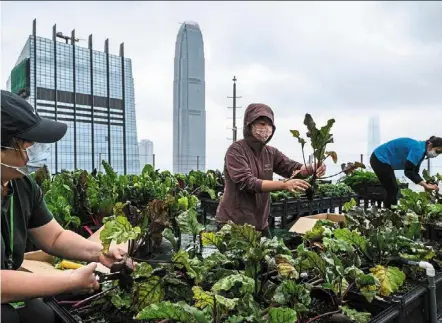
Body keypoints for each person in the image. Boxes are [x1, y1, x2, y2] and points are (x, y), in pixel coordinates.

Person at [1, 90, 126, 323]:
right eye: (25, 142)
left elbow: (55, 238)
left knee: (44, 317)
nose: (34, 147)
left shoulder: (22, 186)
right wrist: (69, 280)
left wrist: (100, 252)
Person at [215, 103, 326, 238]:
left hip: (260, 223)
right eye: (261, 124)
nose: (266, 129)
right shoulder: (236, 150)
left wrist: (310, 169)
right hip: (233, 223)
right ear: (249, 125)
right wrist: (284, 185)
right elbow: (247, 182)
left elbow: (290, 167)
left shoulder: (270, 152)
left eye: (269, 126)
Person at [370, 136, 442, 208]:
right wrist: (425, 185)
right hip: (379, 159)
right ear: (430, 145)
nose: (436, 155)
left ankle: (391, 214)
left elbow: (414, 172)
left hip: (381, 160)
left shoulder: (421, 149)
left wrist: (426, 184)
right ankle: (388, 214)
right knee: (392, 189)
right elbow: (408, 172)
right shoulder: (418, 149)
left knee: (393, 189)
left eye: (440, 153)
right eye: (437, 151)